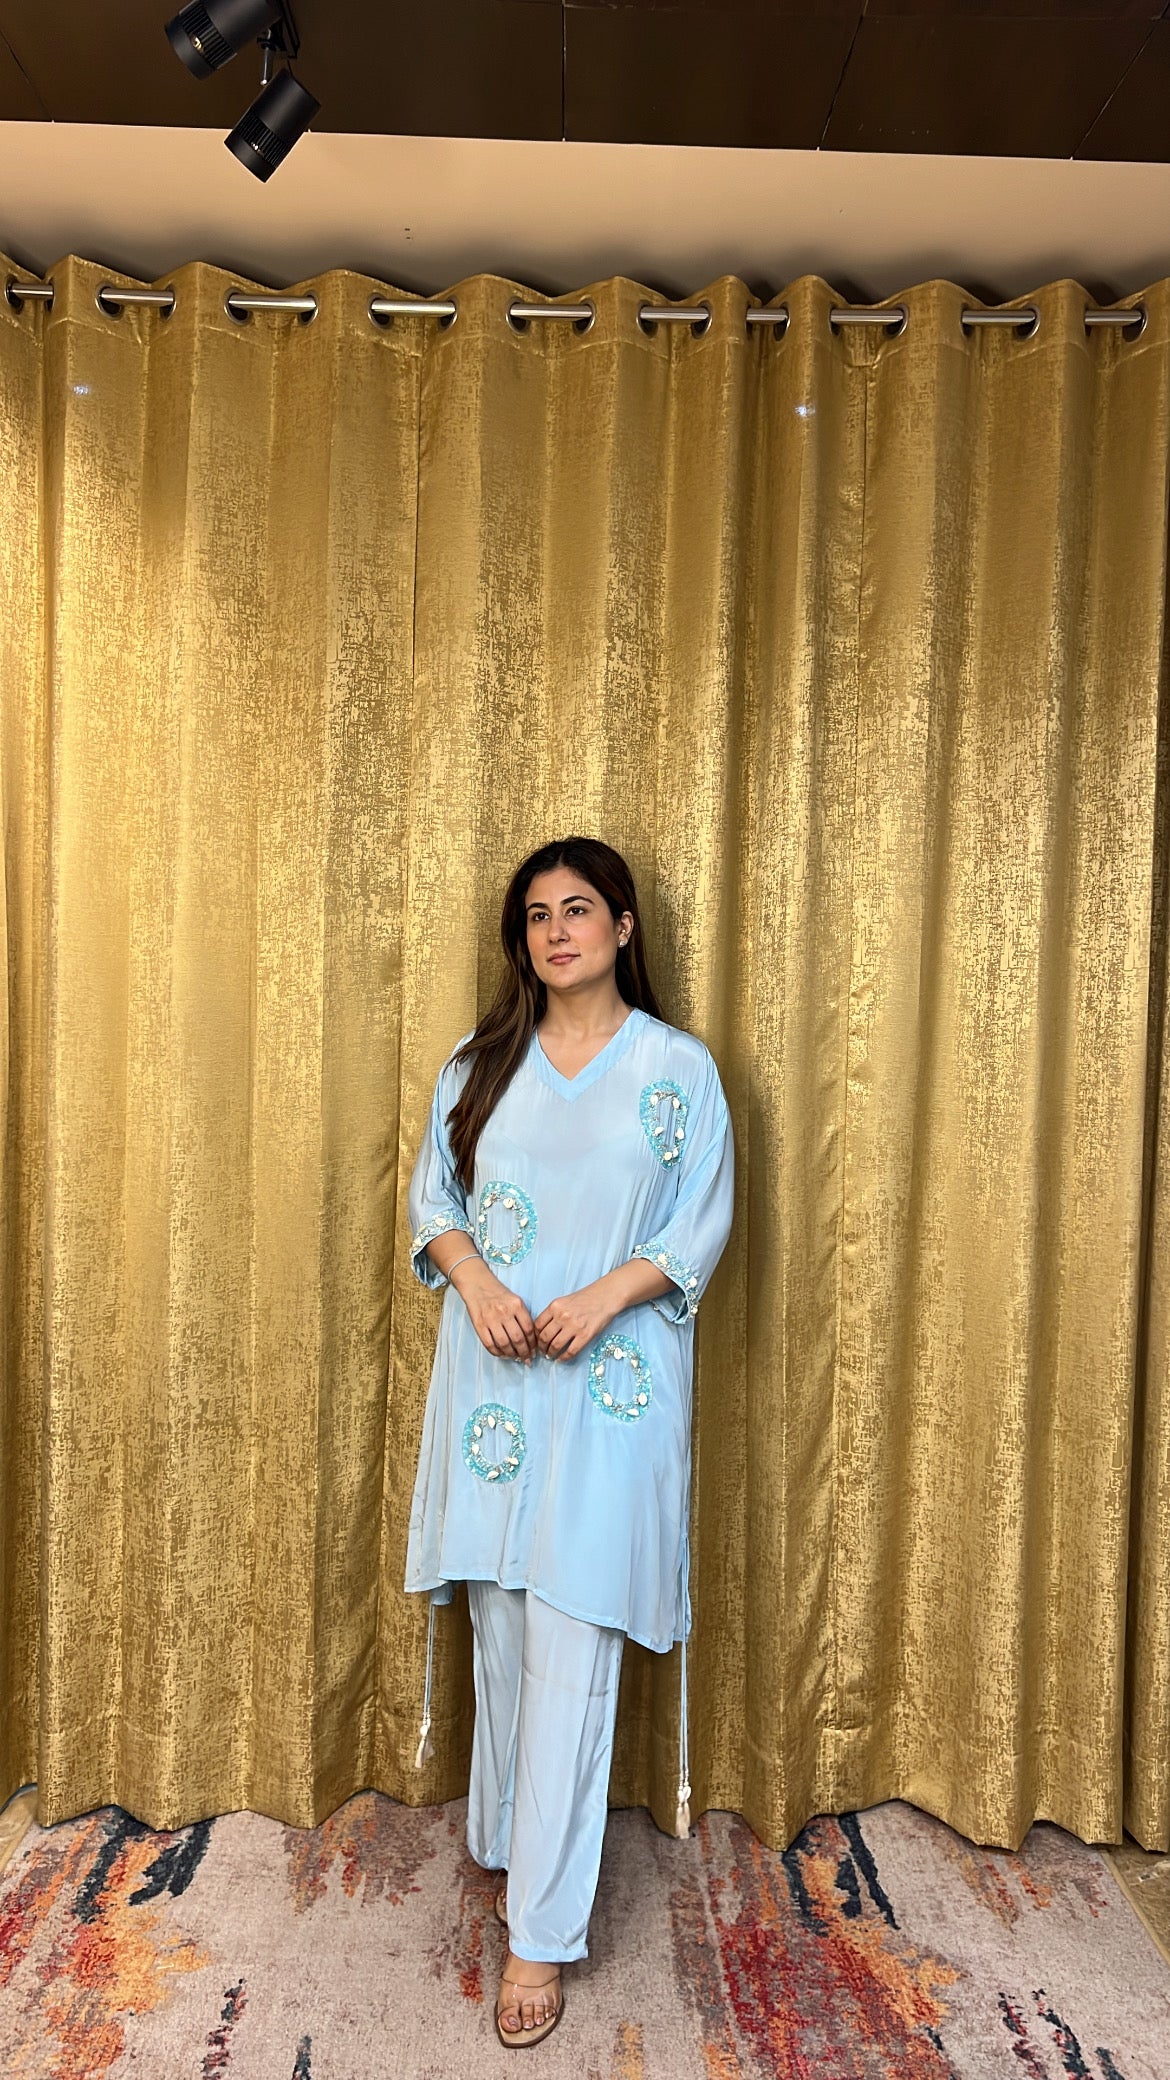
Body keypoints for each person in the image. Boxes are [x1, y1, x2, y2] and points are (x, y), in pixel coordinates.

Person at [403, 835, 735, 2047]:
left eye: (579, 908)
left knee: (571, 1643)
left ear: (624, 926)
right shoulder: (478, 1062)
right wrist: (478, 1282)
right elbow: (433, 1203)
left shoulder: (677, 1070)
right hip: (494, 1385)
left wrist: (603, 1296)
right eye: (538, 915)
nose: (557, 931)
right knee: (501, 1628)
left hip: (613, 1391)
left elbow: (698, 1224)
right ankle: (507, 1843)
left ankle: (540, 1935)